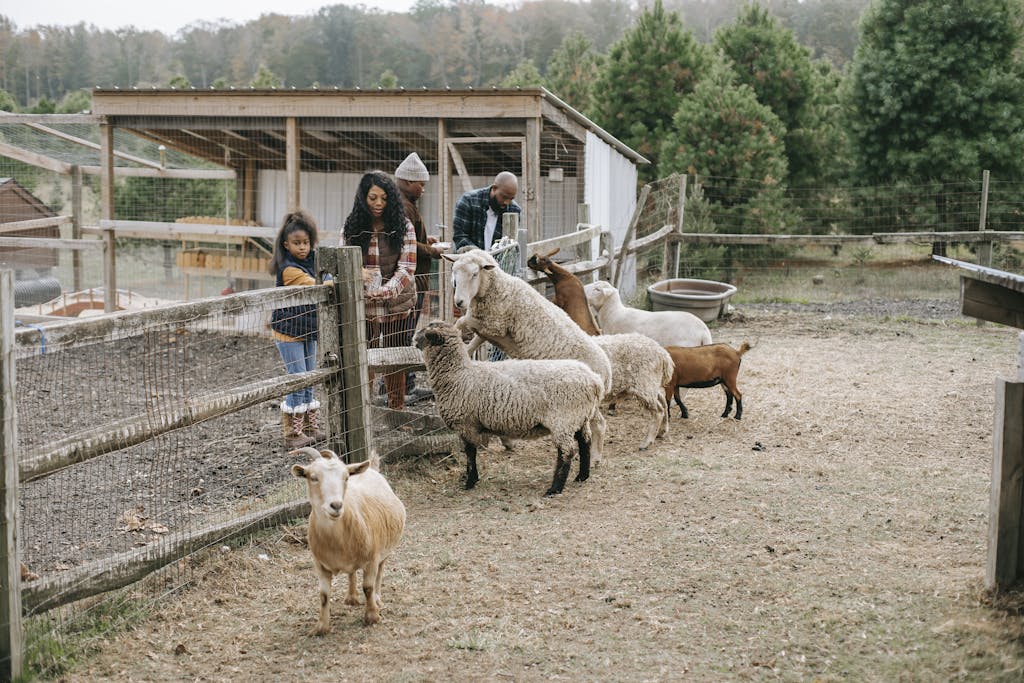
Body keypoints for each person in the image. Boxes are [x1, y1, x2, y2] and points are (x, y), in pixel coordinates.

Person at [342, 171, 418, 410]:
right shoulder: (352, 225)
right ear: (363, 197)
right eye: (373, 197)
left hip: (396, 305)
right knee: (364, 357)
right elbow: (342, 260)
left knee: (395, 359)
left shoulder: (403, 225)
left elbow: (407, 268)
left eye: (384, 198)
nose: (378, 203)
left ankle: (397, 411)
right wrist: (357, 274)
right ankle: (364, 412)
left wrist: (385, 291)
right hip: (363, 306)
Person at [269, 209, 327, 449]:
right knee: (298, 380)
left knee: (309, 378)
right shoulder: (290, 270)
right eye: (296, 243)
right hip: (289, 332)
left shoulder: (312, 260)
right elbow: (314, 284)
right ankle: (292, 434)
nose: (302, 247)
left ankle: (309, 427)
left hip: (307, 329)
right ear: (286, 244)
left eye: (306, 242)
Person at [394, 152, 445, 402]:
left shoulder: (407, 205)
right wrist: (432, 250)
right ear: (406, 181)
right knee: (403, 333)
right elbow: (408, 246)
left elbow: (413, 241)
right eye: (420, 184)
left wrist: (427, 241)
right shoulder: (403, 207)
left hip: (415, 278)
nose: (423, 188)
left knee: (405, 332)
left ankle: (401, 386)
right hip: (412, 280)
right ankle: (401, 389)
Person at [452, 171, 522, 252]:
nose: (507, 202)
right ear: (494, 188)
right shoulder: (468, 201)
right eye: (504, 197)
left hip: (496, 263)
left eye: (511, 198)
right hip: (468, 261)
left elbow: (509, 246)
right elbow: (460, 237)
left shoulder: (514, 210)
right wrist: (481, 256)